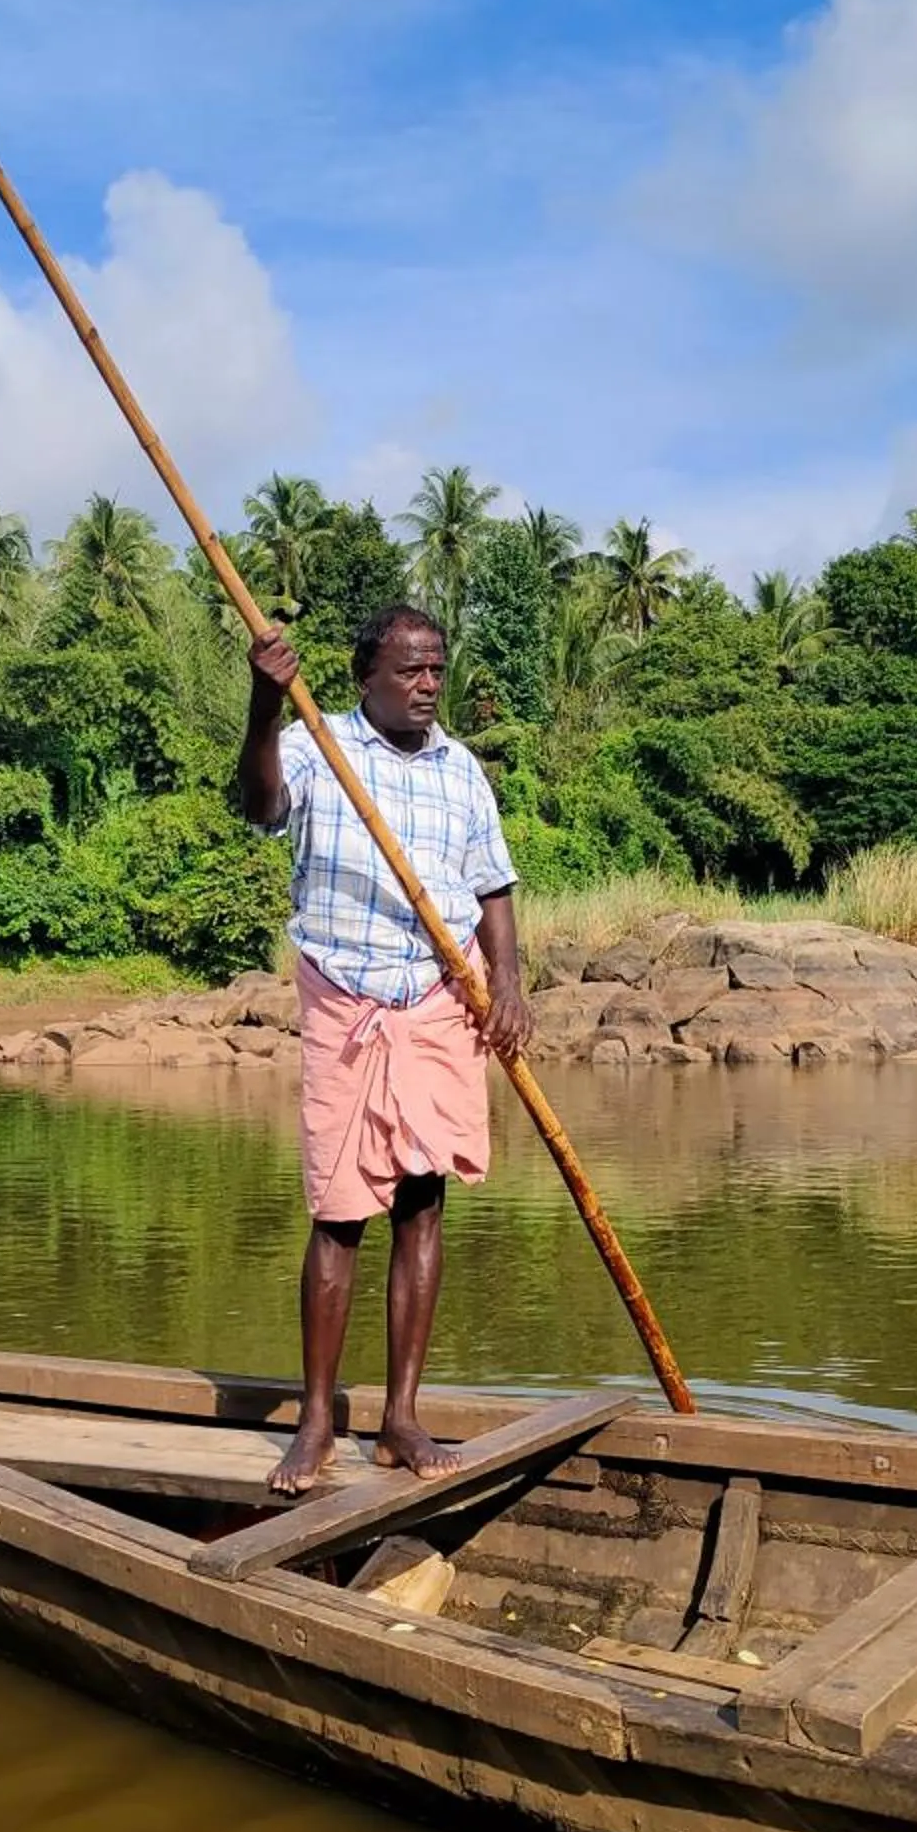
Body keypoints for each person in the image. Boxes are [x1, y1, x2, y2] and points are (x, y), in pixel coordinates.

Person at [237, 604, 533, 1495]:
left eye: (436, 669)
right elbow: (259, 807)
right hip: (347, 995)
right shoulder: (319, 745)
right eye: (409, 671)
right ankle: (318, 1422)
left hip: (441, 999)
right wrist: (264, 703)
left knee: (423, 1202)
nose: (427, 686)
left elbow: (493, 886)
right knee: (337, 1211)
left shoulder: (461, 769)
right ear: (366, 674)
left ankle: (402, 1418)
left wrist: (509, 982)